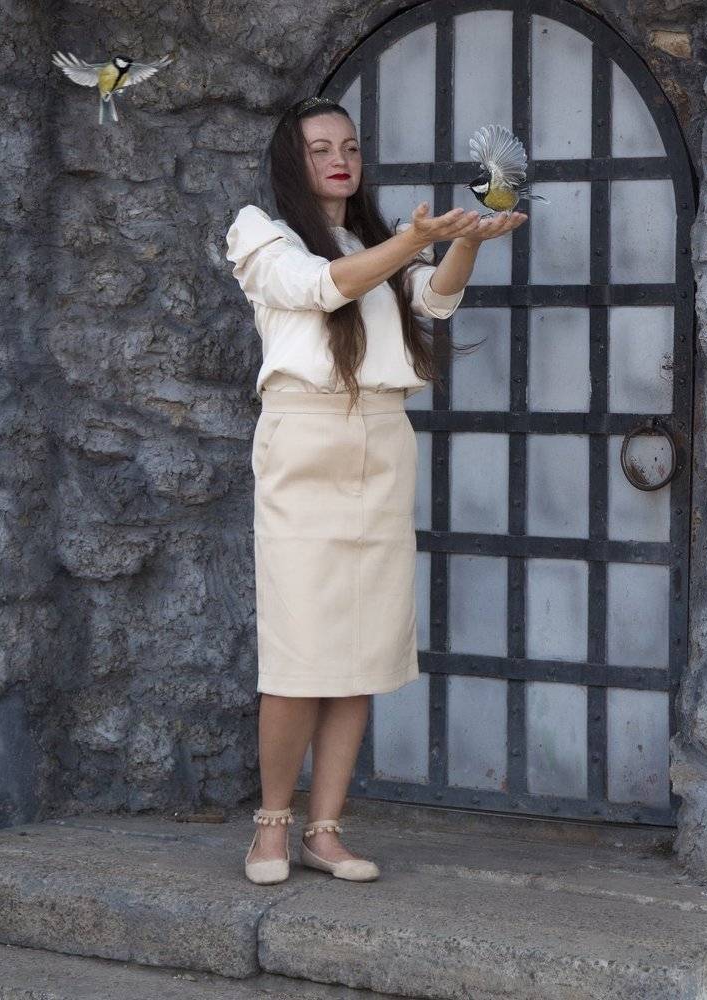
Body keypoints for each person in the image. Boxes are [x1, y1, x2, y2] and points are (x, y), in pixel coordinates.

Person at [224, 95, 526, 884]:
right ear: (293, 160)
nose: (340, 159)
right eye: (322, 147)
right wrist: (412, 241)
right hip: (304, 440)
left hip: (383, 438)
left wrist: (465, 243)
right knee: (298, 652)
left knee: (362, 648)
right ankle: (270, 828)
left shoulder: (374, 238)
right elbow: (321, 288)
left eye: (351, 147)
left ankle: (325, 831)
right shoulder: (261, 231)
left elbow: (437, 299)